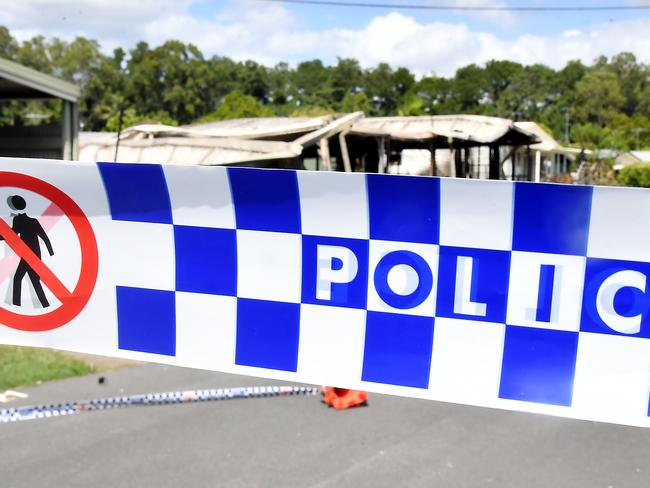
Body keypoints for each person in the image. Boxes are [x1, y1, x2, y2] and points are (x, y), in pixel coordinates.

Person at [1, 195, 54, 307]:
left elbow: (12, 234)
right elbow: (45, 237)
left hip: (28, 255)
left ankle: (17, 305)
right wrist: (50, 252)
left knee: (19, 278)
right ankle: (44, 304)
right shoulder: (33, 221)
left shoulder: (18, 220)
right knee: (33, 280)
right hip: (33, 253)